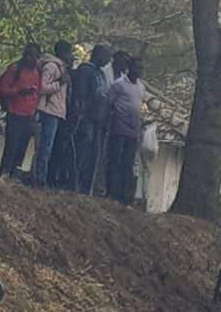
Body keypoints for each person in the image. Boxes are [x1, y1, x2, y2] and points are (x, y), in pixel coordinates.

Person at [0, 43, 41, 178]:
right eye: (28, 55)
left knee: (22, 149)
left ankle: (14, 176)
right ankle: (4, 174)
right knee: (11, 147)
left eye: (34, 56)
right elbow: (2, 89)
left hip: (29, 116)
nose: (31, 59)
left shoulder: (37, 72)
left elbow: (38, 92)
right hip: (15, 114)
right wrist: (19, 91)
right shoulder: (15, 69)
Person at [72, 44, 112, 194]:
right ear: (98, 54)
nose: (108, 60)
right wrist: (80, 116)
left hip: (99, 122)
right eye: (106, 56)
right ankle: (75, 185)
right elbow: (80, 96)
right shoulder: (85, 70)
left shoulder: (101, 74)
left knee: (94, 156)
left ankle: (86, 189)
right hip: (86, 120)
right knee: (83, 153)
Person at [106, 56, 145, 204]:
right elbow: (109, 103)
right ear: (129, 68)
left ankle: (124, 196)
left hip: (133, 131)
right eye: (136, 67)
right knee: (114, 161)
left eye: (141, 68)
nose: (139, 71)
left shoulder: (141, 87)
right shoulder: (119, 85)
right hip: (119, 128)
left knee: (128, 164)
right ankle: (111, 193)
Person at [34, 41, 71, 187]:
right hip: (48, 111)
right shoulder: (51, 66)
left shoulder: (62, 68)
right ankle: (39, 179)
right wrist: (59, 83)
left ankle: (43, 178)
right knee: (44, 148)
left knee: (49, 148)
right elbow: (42, 88)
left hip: (57, 112)